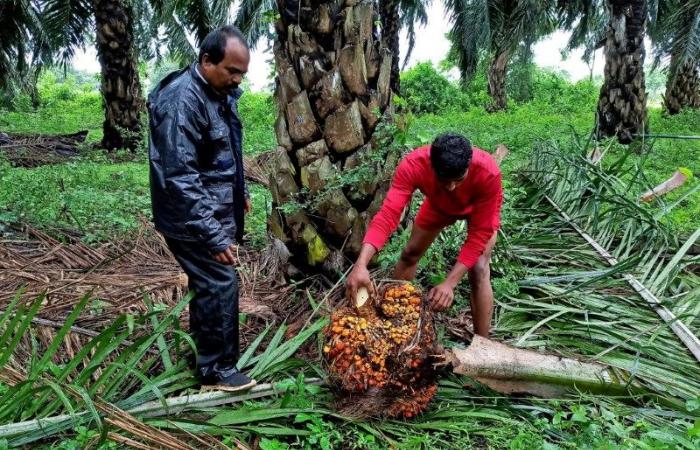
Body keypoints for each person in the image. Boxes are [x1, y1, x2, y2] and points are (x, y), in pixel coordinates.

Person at [148, 25, 255, 391]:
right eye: (233, 71)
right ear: (207, 61)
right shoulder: (183, 101)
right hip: (189, 217)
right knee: (220, 280)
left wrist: (237, 191)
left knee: (208, 283)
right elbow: (179, 177)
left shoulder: (215, 92)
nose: (238, 80)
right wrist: (212, 235)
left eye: (242, 72)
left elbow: (217, 155)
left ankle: (203, 354)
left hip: (207, 208)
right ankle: (217, 371)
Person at [346, 133, 503, 337]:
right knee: (410, 253)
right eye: (444, 180)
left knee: (479, 268)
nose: (451, 187)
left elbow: (479, 235)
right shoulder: (413, 165)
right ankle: (396, 325)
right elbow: (387, 216)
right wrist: (361, 264)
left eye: (459, 180)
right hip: (439, 206)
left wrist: (449, 284)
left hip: (478, 209)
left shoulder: (488, 173)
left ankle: (483, 346)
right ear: (431, 164)